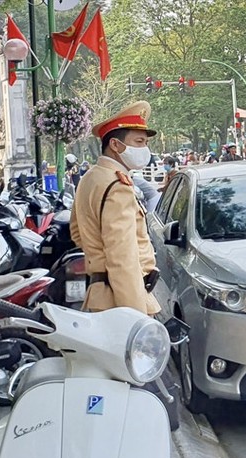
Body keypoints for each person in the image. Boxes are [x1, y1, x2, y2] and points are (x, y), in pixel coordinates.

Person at [69, 100, 161, 316]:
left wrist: (97, 255)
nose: (144, 149)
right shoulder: (118, 186)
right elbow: (123, 258)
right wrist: (136, 317)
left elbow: (76, 231)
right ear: (116, 145)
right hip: (121, 302)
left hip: (101, 296)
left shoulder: (90, 177)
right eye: (138, 142)